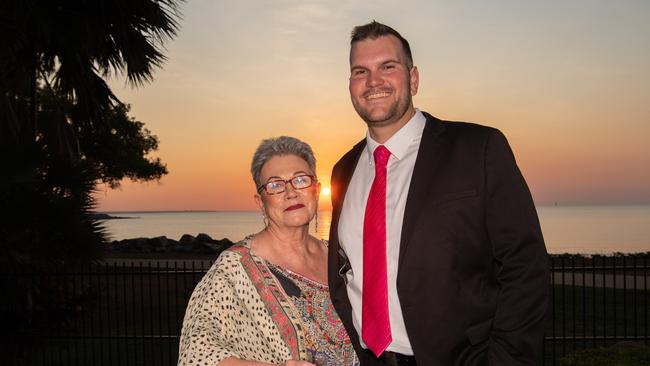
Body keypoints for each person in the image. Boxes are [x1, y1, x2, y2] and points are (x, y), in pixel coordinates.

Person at [327, 21, 549, 366]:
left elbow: (525, 268)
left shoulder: (478, 149)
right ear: (351, 86)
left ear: (413, 78)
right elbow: (346, 272)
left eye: (388, 66)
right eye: (360, 71)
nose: (373, 81)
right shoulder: (343, 171)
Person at [179, 136, 359, 366]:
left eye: (301, 180)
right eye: (275, 185)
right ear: (260, 201)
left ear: (317, 190)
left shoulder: (339, 257)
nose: (291, 192)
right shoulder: (235, 268)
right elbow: (195, 355)